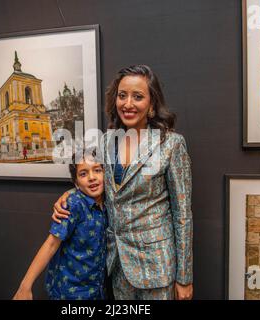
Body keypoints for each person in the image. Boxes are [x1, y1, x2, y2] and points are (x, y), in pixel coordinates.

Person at [52, 65, 193, 300]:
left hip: (157, 266)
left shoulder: (171, 144)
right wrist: (69, 193)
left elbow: (183, 215)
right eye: (122, 95)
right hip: (116, 264)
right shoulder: (107, 141)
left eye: (138, 96)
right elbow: (96, 182)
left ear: (152, 104)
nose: (128, 104)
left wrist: (185, 277)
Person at [13, 151, 107, 300]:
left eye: (97, 170)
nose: (92, 177)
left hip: (97, 290)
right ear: (76, 183)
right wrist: (25, 286)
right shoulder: (73, 204)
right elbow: (51, 244)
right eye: (83, 174)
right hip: (70, 292)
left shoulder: (108, 203)